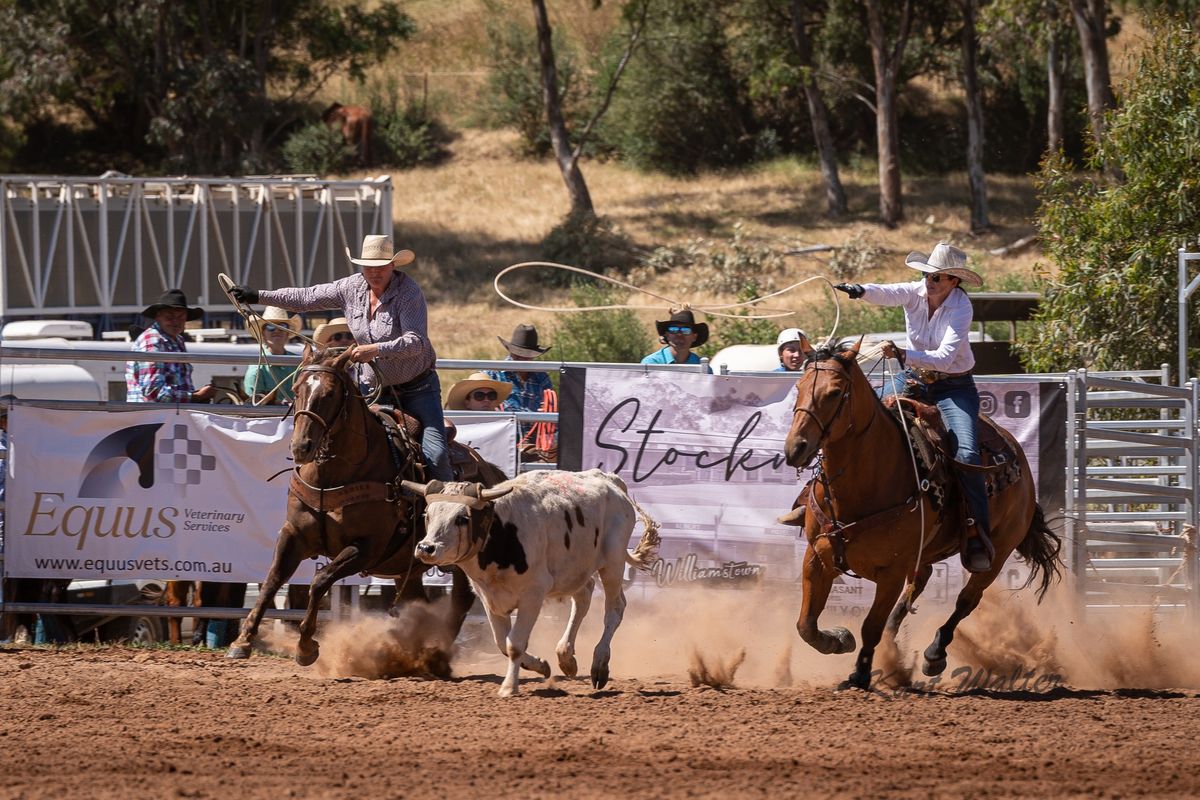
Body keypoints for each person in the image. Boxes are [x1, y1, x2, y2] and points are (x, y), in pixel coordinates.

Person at [229, 235, 453, 481]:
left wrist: (375, 349)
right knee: (345, 444)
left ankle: (443, 506)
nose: (374, 272)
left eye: (380, 267)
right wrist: (258, 296)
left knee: (436, 453)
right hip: (373, 388)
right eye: (368, 267)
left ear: (393, 265)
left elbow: (417, 342)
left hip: (417, 388)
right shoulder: (350, 288)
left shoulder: (409, 294)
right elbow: (306, 298)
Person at [833, 241, 993, 573]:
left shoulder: (961, 308)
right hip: (914, 378)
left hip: (953, 386)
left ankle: (976, 529)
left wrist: (904, 354)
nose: (929, 282)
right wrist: (859, 290)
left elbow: (946, 358)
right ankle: (821, 501)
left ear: (953, 282)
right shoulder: (915, 292)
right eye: (926, 275)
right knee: (863, 425)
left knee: (966, 453)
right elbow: (885, 292)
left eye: (937, 278)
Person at [125, 289, 216, 403]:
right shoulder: (152, 340)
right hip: (151, 416)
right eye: (170, 316)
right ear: (158, 316)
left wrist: (196, 396)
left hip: (168, 415)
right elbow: (152, 392)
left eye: (181, 317)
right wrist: (196, 397)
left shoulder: (177, 340)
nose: (175, 321)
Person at [244, 306, 301, 404]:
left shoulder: (299, 363)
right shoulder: (256, 368)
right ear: (263, 333)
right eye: (270, 326)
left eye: (282, 326)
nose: (276, 330)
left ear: (287, 333)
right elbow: (254, 406)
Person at [641, 307, 712, 373]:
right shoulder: (651, 363)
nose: (679, 334)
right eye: (673, 330)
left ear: (694, 337)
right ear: (667, 335)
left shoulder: (703, 368)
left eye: (685, 330)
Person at [445, 372, 512, 412]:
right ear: (467, 403)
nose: (486, 400)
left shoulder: (504, 422)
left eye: (491, 396)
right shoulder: (459, 425)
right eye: (479, 396)